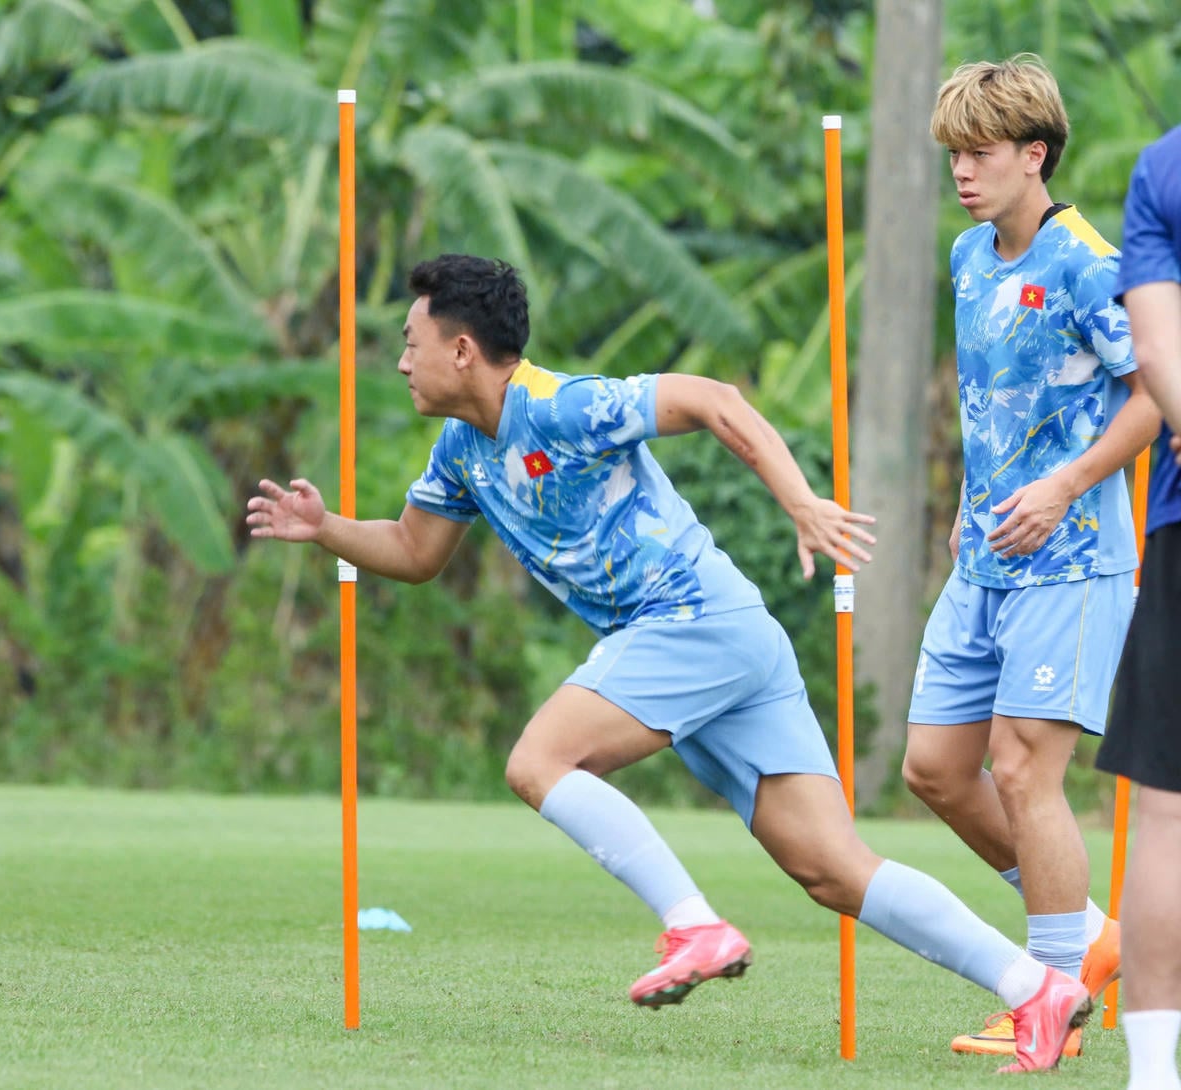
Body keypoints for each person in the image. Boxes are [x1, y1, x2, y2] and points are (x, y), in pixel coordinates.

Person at [248, 252, 1093, 1071]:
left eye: (410, 342)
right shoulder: (462, 452)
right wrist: (325, 528)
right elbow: (412, 548)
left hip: (693, 623)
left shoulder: (565, 406)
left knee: (539, 760)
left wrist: (802, 503)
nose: (401, 362)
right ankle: (1037, 989)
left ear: (462, 350)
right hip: (724, 639)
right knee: (833, 871)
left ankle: (693, 926)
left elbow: (715, 400)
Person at [899, 55, 1161, 1058]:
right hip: (983, 561)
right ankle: (1090, 936)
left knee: (1020, 769)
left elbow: (1151, 387)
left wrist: (1060, 486)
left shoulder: (1088, 261)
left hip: (1074, 554)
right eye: (953, 155)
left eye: (978, 154)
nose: (961, 172)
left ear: (1033, 154)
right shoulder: (969, 257)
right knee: (933, 767)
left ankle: (1049, 996)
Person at [1095, 123, 1181, 1090]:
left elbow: (1155, 355)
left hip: (1177, 522)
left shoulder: (1164, 167)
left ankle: (1153, 1074)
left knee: (1166, 813)